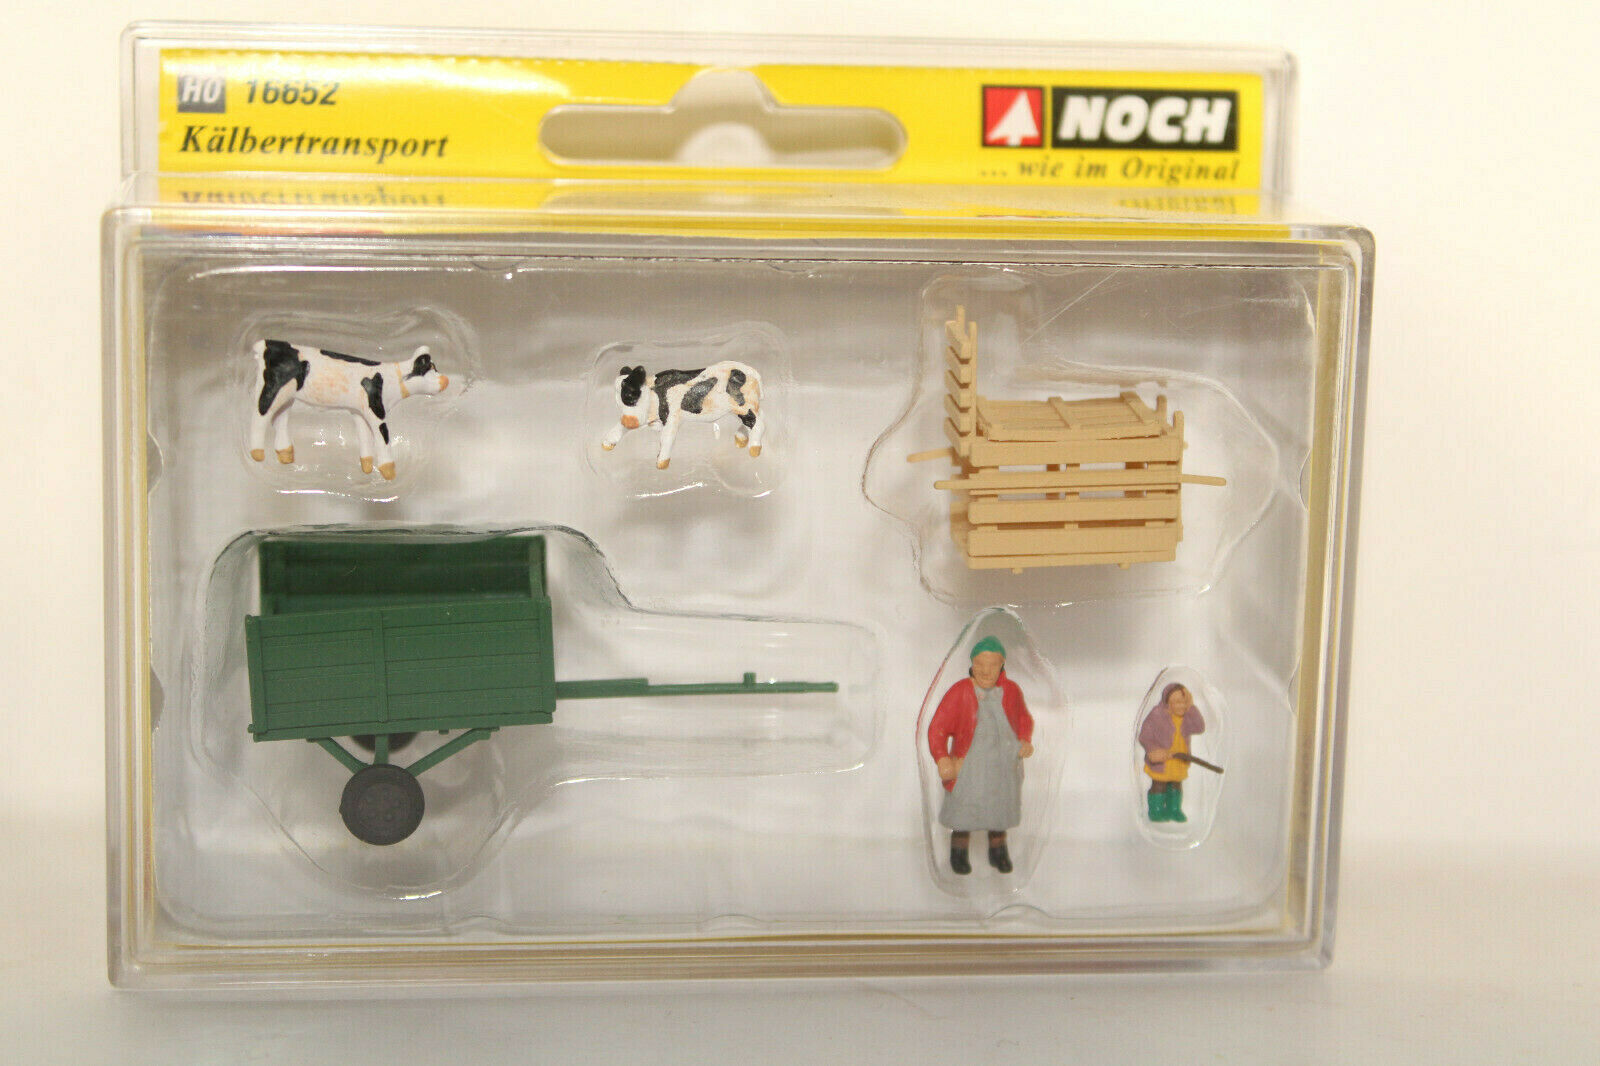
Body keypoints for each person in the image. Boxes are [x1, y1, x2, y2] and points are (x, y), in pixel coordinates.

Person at [926, 636, 1034, 874]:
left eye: (992, 665)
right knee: (964, 813)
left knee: (998, 813)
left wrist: (1025, 740)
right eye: (980, 664)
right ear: (972, 664)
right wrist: (942, 757)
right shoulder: (960, 691)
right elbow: (937, 728)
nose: (986, 671)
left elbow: (1024, 718)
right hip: (971, 767)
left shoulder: (1011, 691)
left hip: (1002, 767)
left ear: (1001, 665)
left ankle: (998, 852)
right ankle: (958, 854)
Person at [1137, 682, 1206, 823]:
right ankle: (1156, 810)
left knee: (1176, 785)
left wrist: (1191, 707)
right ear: (1168, 703)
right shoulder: (1157, 715)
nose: (1181, 706)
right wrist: (1153, 750)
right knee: (1159, 785)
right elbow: (1144, 736)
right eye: (1177, 702)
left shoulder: (1186, 716)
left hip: (1179, 759)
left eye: (1184, 702)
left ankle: (1174, 809)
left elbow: (1199, 727)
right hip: (1162, 761)